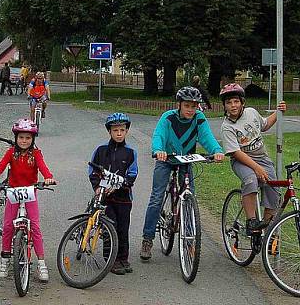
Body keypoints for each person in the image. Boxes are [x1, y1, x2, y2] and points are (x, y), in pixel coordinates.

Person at [140, 86, 225, 261]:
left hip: (186, 160)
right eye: (187, 106)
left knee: (189, 196)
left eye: (194, 106)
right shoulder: (168, 118)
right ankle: (147, 238)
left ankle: (189, 241)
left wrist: (216, 150)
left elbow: (207, 137)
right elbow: (159, 136)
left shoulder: (199, 119)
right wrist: (158, 150)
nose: (191, 110)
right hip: (166, 159)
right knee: (157, 197)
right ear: (179, 104)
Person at [0, 118, 56, 282]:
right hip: (13, 192)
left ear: (32, 139)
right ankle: (4, 259)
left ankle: (41, 263)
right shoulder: (11, 152)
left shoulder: (36, 154)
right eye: (21, 137)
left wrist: (48, 177)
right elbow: (1, 165)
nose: (24, 141)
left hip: (30, 191)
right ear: (16, 138)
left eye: (28, 138)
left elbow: (43, 167)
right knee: (8, 226)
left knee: (35, 226)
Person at [219, 83, 287, 235]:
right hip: (241, 160)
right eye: (228, 103)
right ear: (224, 106)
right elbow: (236, 152)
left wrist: (278, 112)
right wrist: (256, 168)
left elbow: (265, 125)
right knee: (251, 180)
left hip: (262, 158)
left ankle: (268, 230)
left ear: (242, 102)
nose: (233, 105)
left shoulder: (251, 113)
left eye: (236, 101)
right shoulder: (227, 126)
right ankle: (251, 221)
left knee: (273, 189)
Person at [88, 113, 138, 275]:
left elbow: (132, 174)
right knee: (110, 227)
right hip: (105, 198)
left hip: (123, 197)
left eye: (122, 130)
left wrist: (118, 185)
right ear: (109, 131)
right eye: (115, 130)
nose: (118, 133)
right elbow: (93, 170)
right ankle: (111, 259)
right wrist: (96, 187)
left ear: (126, 131)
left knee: (123, 228)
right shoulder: (101, 150)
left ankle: (123, 258)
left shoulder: (131, 152)